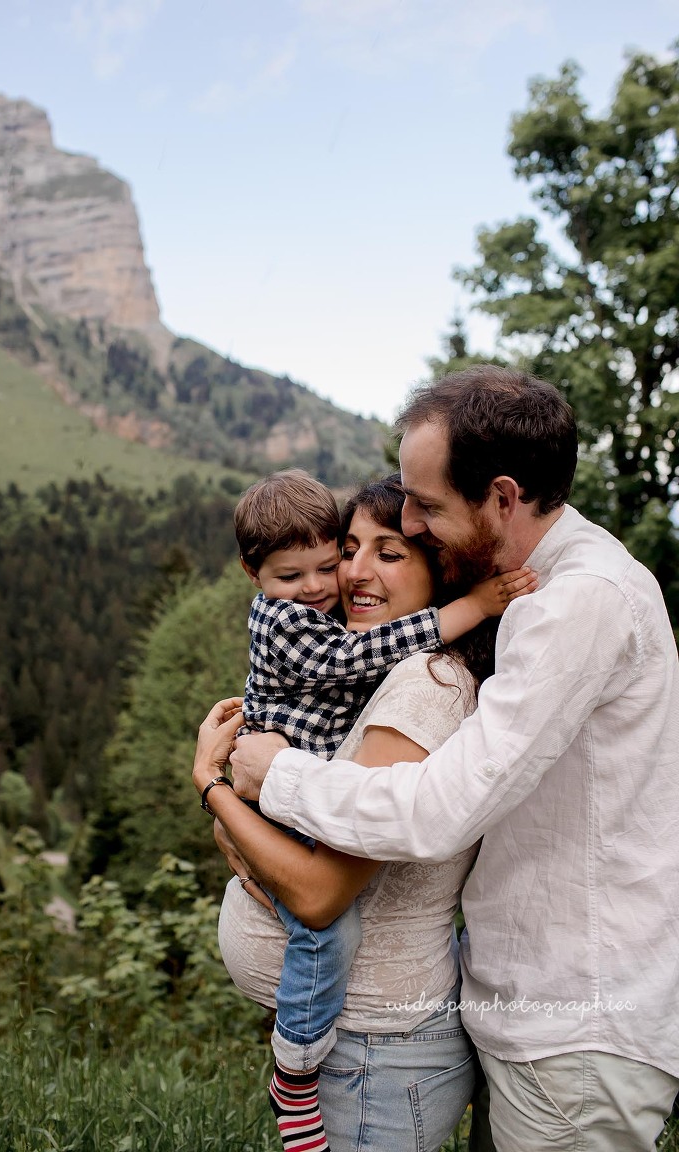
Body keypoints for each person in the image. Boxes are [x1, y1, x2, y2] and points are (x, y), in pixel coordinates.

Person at [230, 366, 679, 1152]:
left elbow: (435, 810)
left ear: (502, 498)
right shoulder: (552, 592)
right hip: (527, 1015)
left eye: (426, 508)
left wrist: (269, 776)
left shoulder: (582, 601)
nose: (411, 519)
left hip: (577, 1026)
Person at [194, 474, 524, 1152]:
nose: (350, 574)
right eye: (349, 548)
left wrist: (211, 785)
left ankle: (292, 1071)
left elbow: (318, 896)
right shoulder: (375, 664)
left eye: (390, 552)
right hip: (363, 1043)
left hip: (379, 1049)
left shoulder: (424, 686)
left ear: (442, 565)